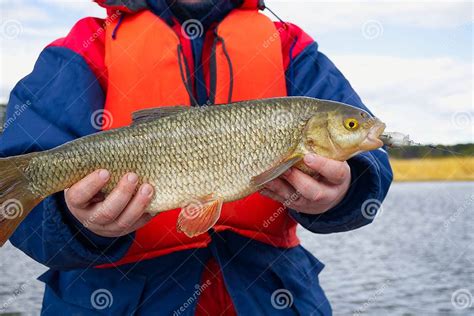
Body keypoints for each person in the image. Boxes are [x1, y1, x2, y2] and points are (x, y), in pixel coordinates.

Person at [0, 0, 393, 314]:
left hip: (273, 296)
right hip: (114, 299)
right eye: (352, 127)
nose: (360, 131)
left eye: (352, 128)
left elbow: (371, 167)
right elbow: (24, 196)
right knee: (37, 174)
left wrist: (347, 189)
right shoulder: (84, 47)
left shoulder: (291, 47)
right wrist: (76, 223)